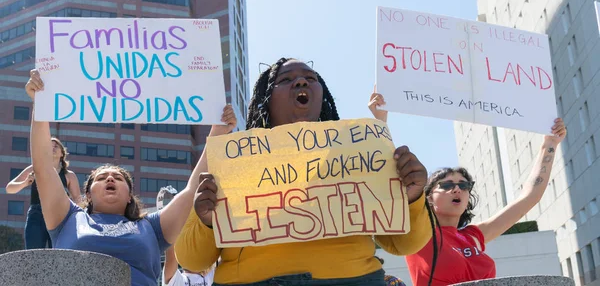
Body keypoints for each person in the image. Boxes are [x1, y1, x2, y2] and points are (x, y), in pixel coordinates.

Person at [175, 58, 434, 286]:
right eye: (286, 79)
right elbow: (191, 259)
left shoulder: (360, 155)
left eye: (311, 78)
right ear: (266, 98)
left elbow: (405, 244)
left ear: (322, 94)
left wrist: (411, 197)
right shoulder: (232, 160)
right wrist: (207, 221)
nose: (301, 82)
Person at [25, 69, 237, 286]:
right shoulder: (66, 218)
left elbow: (193, 189)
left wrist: (218, 133)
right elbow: (43, 167)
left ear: (129, 196)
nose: (110, 179)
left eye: (118, 178)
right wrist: (40, 106)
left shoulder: (153, 227)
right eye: (102, 178)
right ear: (88, 194)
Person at [368, 91, 567, 285]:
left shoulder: (473, 236)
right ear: (428, 197)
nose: (457, 190)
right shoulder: (419, 234)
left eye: (464, 185)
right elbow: (389, 176)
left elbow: (529, 198)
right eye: (446, 185)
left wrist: (549, 144)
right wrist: (380, 120)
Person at [5, 137, 81, 249]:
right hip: (36, 214)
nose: (52, 148)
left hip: (60, 215)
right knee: (33, 252)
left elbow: (78, 200)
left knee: (57, 253)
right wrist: (25, 183)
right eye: (49, 146)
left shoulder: (69, 175)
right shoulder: (34, 168)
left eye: (56, 146)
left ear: (62, 153)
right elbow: (9, 188)